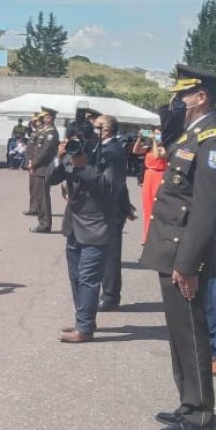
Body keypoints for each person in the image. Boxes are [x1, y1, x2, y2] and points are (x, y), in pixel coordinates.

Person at [138, 64, 216, 430]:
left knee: (191, 333)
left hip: (185, 253)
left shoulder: (213, 138)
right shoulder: (192, 134)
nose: (175, 101)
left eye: (182, 95)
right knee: (179, 332)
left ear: (200, 97)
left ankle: (200, 416)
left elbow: (206, 207)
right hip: (171, 247)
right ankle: (187, 403)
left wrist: (189, 262)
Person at [51, 114, 127, 343]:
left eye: (79, 141)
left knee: (88, 278)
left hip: (97, 226)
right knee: (75, 277)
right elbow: (50, 179)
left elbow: (107, 187)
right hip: (73, 226)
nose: (76, 145)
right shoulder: (73, 153)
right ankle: (83, 320)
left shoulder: (110, 155)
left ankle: (84, 328)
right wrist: (59, 156)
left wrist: (83, 166)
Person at [96, 116, 131, 313]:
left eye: (97, 128)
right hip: (112, 207)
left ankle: (110, 296)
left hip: (109, 209)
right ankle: (109, 294)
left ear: (107, 131)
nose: (94, 131)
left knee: (110, 254)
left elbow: (113, 183)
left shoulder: (113, 150)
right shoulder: (103, 147)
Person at [131, 122, 170, 245]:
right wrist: (140, 137)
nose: (156, 136)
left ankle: (156, 236)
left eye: (159, 134)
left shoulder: (166, 148)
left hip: (159, 176)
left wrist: (155, 141)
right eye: (155, 134)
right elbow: (135, 151)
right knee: (147, 207)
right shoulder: (148, 147)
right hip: (148, 176)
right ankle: (146, 236)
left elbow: (158, 155)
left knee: (156, 208)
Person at [26, 107, 59, 233]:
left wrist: (33, 163)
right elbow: (33, 147)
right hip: (37, 167)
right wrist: (30, 162)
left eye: (47, 117)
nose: (45, 119)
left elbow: (45, 151)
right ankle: (42, 222)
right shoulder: (42, 130)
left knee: (43, 197)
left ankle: (45, 224)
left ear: (51, 118)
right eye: (44, 117)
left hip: (43, 167)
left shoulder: (51, 132)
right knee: (39, 196)